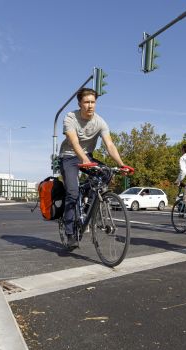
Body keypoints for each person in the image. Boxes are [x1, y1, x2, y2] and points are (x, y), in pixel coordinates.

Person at [59, 88, 132, 247]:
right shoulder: (71, 118)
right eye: (86, 102)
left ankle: (89, 208)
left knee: (106, 173)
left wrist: (121, 164)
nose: (90, 105)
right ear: (80, 103)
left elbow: (110, 145)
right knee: (72, 192)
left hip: (88, 157)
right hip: (69, 157)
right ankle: (70, 232)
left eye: (93, 102)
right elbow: (74, 142)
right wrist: (84, 159)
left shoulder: (100, 122)